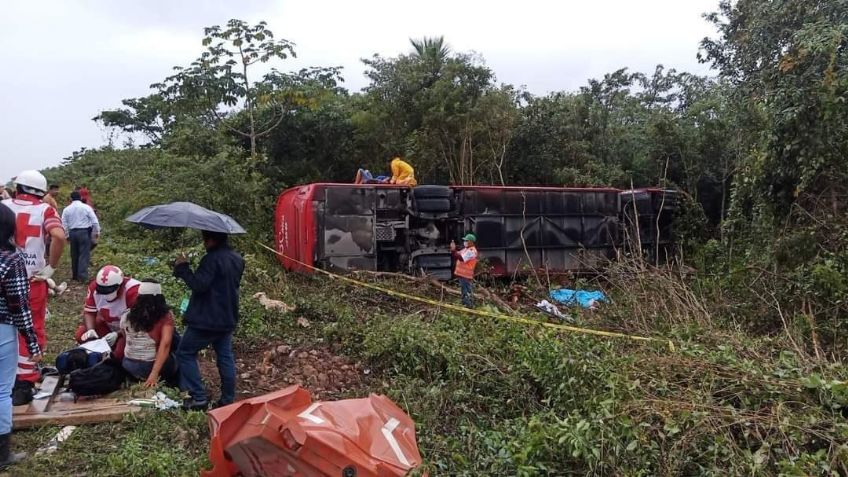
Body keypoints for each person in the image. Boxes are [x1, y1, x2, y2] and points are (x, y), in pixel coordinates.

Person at [2, 170, 65, 405]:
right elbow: (59, 236)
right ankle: (25, 382)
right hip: (32, 280)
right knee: (31, 327)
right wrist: (51, 267)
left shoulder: (4, 206)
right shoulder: (45, 210)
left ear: (18, 187)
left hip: (3, 275)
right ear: (42, 191)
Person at [174, 230, 244, 410]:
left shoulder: (211, 259)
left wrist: (183, 268)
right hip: (227, 317)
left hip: (206, 319)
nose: (204, 243)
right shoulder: (237, 259)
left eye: (205, 239)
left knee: (185, 352)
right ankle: (227, 399)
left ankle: (199, 397)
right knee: (225, 357)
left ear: (212, 240)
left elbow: (199, 285)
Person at [0, 204, 42, 467]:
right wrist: (32, 341)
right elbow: (18, 305)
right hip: (2, 329)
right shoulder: (11, 260)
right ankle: (2, 455)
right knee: (2, 392)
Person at [120, 280, 179, 388]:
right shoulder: (165, 316)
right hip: (149, 366)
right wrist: (154, 373)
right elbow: (165, 345)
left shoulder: (126, 314)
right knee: (178, 355)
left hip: (128, 365)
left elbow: (125, 335)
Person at [75, 265, 140, 361]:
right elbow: (89, 312)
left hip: (129, 331)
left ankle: (113, 352)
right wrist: (91, 330)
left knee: (119, 354)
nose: (105, 295)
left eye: (109, 291)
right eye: (102, 291)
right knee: (81, 335)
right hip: (108, 325)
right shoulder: (94, 287)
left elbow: (138, 323)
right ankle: (102, 350)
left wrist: (118, 334)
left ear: (119, 286)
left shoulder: (133, 291)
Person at [61, 191, 100, 282]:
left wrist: (66, 235)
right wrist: (96, 232)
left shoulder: (66, 209)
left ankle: (75, 275)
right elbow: (94, 221)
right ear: (80, 198)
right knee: (84, 254)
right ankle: (82, 277)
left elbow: (64, 224)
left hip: (72, 233)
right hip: (84, 232)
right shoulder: (86, 207)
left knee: (74, 254)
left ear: (71, 199)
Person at [450, 233, 479, 308]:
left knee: (467, 290)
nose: (465, 242)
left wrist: (453, 250)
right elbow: (457, 254)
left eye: (466, 240)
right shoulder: (466, 249)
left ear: (471, 242)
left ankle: (469, 305)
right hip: (462, 274)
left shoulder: (472, 251)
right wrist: (453, 250)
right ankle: (465, 303)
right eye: (465, 240)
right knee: (464, 289)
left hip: (466, 275)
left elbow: (461, 258)